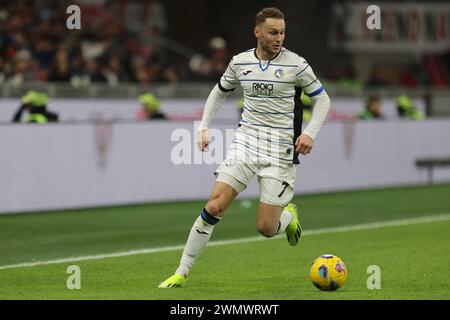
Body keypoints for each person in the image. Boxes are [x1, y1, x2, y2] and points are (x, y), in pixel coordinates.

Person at [159, 7, 331, 288]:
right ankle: (182, 271)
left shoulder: (296, 64)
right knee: (214, 205)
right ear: (258, 33)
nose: (279, 38)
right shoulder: (240, 62)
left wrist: (310, 133)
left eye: (282, 32)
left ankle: (288, 219)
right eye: (273, 32)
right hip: (246, 143)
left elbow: (323, 101)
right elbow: (218, 92)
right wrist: (203, 127)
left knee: (265, 228)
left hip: (280, 152)